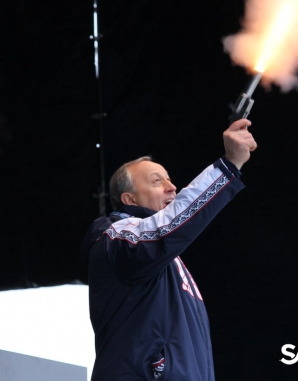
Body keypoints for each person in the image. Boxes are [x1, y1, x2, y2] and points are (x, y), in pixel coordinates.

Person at [82, 119, 257, 380]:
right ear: (129, 199)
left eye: (169, 179)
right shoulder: (115, 235)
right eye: (156, 181)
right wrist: (228, 165)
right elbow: (168, 227)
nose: (172, 186)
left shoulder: (168, 258)